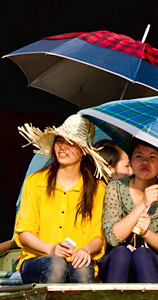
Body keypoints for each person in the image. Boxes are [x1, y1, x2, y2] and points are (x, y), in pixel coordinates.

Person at [10, 115, 111, 284]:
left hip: (78, 261)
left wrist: (85, 250)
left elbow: (98, 237)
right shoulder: (35, 182)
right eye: (59, 141)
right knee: (56, 264)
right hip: (37, 260)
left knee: (82, 270)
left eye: (71, 143)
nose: (63, 147)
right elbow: (25, 232)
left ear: (84, 150)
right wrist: (51, 249)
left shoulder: (98, 188)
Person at [99, 140, 158, 283]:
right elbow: (113, 237)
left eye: (152, 157)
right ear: (130, 161)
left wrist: (146, 233)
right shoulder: (115, 187)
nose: (144, 162)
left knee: (142, 254)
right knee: (121, 252)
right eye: (138, 156)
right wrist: (143, 204)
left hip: (154, 264)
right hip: (117, 264)